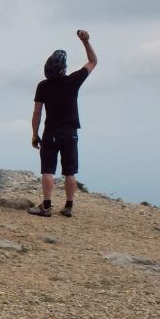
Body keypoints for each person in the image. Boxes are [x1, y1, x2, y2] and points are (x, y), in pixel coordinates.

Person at [30, 29, 97, 217]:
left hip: (50, 132)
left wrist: (35, 134)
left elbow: (37, 112)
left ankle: (47, 206)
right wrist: (86, 42)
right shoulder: (73, 81)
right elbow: (93, 62)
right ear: (64, 68)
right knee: (69, 172)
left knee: (48, 170)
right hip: (70, 133)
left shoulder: (42, 86)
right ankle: (68, 207)